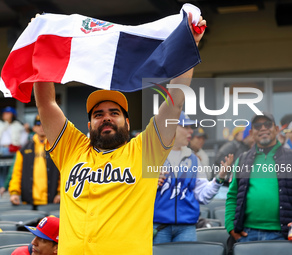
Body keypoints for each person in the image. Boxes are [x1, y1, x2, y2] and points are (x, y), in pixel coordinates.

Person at [32, 13, 206, 255]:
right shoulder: (71, 148)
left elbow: (175, 100)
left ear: (127, 121)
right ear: (89, 123)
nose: (106, 117)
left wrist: (191, 44)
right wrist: (42, 47)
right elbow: (46, 105)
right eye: (98, 114)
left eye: (114, 112)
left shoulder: (145, 151)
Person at [153, 112, 228, 243]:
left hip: (187, 228)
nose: (191, 131)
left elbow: (203, 195)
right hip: (157, 227)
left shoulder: (193, 158)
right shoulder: (151, 155)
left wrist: (219, 178)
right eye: (186, 127)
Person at [225, 112, 292, 251]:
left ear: (277, 128)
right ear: (251, 132)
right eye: (257, 126)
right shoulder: (242, 160)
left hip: (283, 236)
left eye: (267, 124)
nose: (263, 128)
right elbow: (232, 196)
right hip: (247, 235)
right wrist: (231, 227)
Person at [9, 115, 60, 206]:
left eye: (45, 124)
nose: (41, 127)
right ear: (34, 128)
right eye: (38, 124)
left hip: (52, 202)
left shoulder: (56, 148)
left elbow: (63, 172)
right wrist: (14, 192)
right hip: (28, 202)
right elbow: (17, 173)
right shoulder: (23, 150)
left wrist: (60, 193)